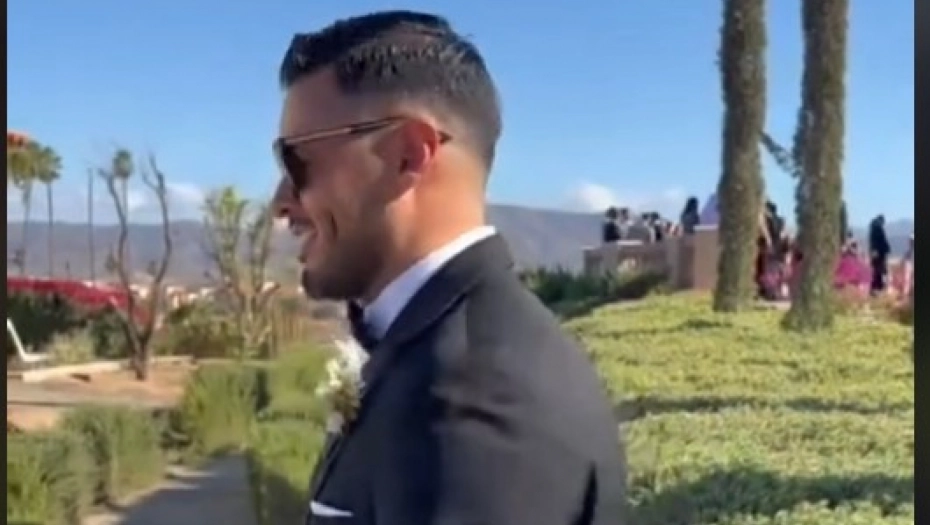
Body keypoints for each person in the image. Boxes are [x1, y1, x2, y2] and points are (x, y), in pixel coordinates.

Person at [270, 11, 628, 525]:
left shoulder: (474, 401)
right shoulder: (444, 350)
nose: (280, 202)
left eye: (298, 162)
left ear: (408, 155)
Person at [868, 214, 891, 295]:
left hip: (874, 253)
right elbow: (883, 241)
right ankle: (879, 288)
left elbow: (873, 243)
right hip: (880, 253)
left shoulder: (872, 229)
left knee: (876, 271)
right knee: (880, 270)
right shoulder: (879, 228)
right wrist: (887, 249)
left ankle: (875, 288)